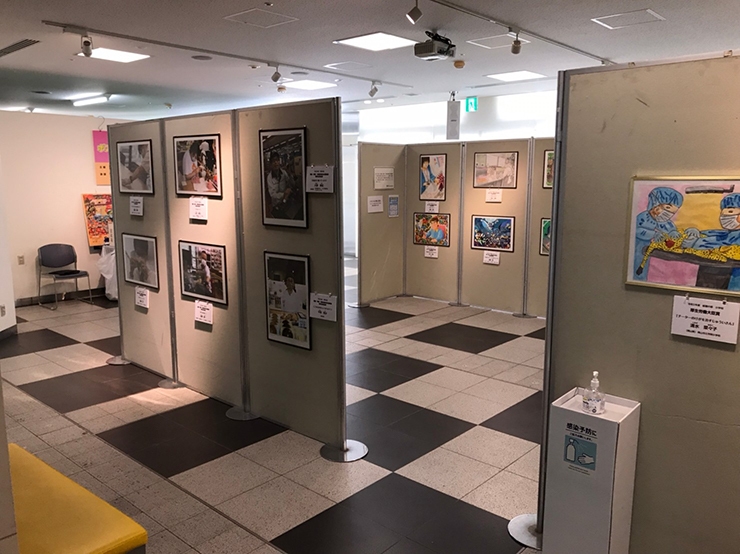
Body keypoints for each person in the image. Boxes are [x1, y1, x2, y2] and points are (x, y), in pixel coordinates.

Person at [633, 187, 698, 280]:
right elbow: (636, 230)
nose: (668, 214)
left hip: (655, 258)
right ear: (656, 205)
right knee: (637, 271)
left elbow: (672, 231)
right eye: (667, 208)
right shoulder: (642, 218)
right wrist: (653, 234)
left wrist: (676, 233)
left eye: (672, 212)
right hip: (638, 250)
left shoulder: (666, 222)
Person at [266, 151, 294, 217]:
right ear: (271, 164)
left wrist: (290, 174)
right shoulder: (269, 178)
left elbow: (291, 184)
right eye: (273, 161)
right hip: (277, 205)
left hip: (286, 202)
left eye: (277, 160)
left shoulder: (284, 173)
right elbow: (273, 195)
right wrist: (284, 194)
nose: (276, 163)